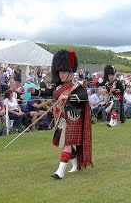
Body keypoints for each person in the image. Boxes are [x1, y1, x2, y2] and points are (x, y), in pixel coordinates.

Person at [27, 50, 92, 179]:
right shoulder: (58, 85)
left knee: (67, 144)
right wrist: (34, 90)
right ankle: (76, 165)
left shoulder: (76, 85)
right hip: (61, 119)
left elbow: (83, 97)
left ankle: (60, 171)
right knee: (65, 144)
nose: (60, 74)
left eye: (63, 72)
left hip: (73, 118)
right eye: (59, 72)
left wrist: (67, 97)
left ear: (70, 71)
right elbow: (48, 91)